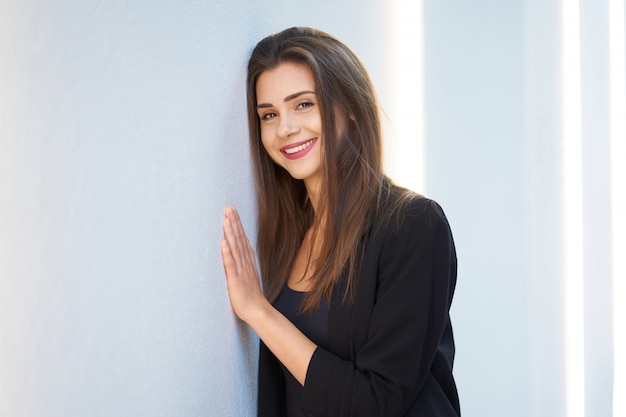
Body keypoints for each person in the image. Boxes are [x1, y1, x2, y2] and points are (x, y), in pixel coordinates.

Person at [220, 27, 460, 417]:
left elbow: (376, 402)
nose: (285, 128)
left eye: (303, 105)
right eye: (269, 114)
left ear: (348, 105)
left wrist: (259, 312)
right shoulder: (289, 236)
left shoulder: (414, 226)